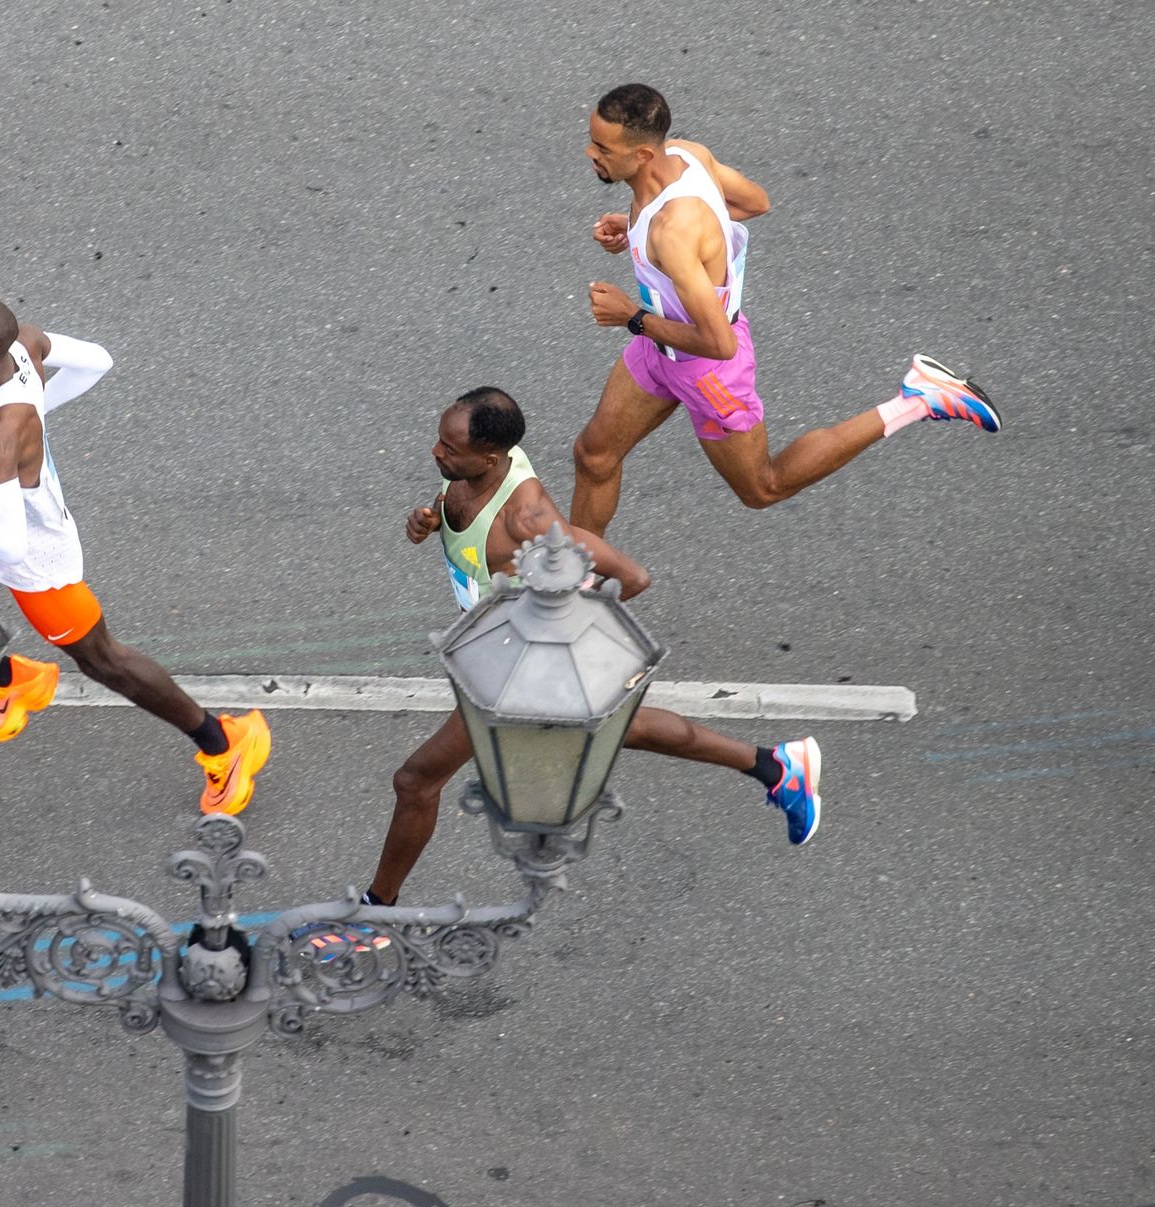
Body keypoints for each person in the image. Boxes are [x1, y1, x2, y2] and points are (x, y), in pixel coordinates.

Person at [362, 389, 823, 914]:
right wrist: (426, 523)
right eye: (441, 440)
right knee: (626, 727)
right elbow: (456, 524)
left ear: (490, 458)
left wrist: (557, 639)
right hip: (501, 655)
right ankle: (775, 767)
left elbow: (631, 576)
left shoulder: (529, 520)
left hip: (517, 667)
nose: (436, 453)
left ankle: (377, 910)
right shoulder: (467, 473)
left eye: (448, 446)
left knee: (416, 781)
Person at [570, 83, 1001, 536]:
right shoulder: (685, 154)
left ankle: (920, 399)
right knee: (594, 455)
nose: (589, 152)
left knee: (762, 487)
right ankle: (572, 584)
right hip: (658, 350)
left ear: (641, 155)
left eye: (601, 147)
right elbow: (754, 202)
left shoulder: (673, 233)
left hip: (706, 366)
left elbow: (718, 343)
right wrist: (636, 226)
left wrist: (630, 317)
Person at [0, 295, 272, 815]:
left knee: (105, 662)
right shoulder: (23, 346)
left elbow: (9, 544)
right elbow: (98, 360)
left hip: (32, 557)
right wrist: (36, 410)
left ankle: (225, 744)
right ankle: (14, 680)